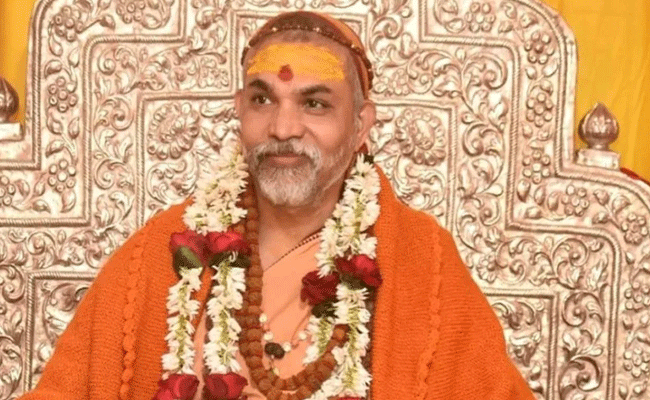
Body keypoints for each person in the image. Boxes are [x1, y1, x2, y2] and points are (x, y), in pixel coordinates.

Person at [19, 11, 536, 400]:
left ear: (361, 125)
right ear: (239, 110)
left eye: (315, 104)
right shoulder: (165, 249)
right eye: (263, 100)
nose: (283, 128)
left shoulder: (423, 260)